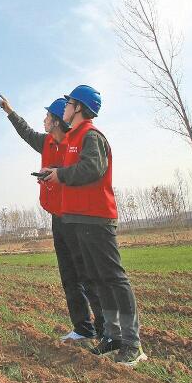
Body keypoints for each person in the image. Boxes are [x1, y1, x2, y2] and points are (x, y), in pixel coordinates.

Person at [41, 85, 147, 367]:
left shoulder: (91, 136)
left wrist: (59, 175)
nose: (64, 107)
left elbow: (93, 169)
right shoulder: (73, 137)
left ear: (79, 108)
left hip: (97, 218)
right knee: (98, 280)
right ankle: (112, 336)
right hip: (78, 219)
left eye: (69, 103)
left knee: (113, 278)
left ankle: (132, 343)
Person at [0, 94, 104, 342]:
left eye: (47, 116)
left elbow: (84, 174)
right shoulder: (45, 142)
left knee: (86, 274)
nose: (44, 120)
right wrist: (10, 112)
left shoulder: (75, 143)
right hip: (58, 217)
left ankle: (104, 329)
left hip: (76, 216)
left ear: (56, 121)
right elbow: (26, 132)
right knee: (69, 275)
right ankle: (82, 328)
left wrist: (57, 174)